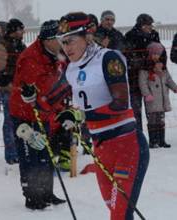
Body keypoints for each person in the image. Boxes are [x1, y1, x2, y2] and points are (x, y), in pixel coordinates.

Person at [56, 12, 149, 220]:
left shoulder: (108, 58)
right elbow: (54, 97)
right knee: (113, 207)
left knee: (119, 214)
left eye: (71, 40)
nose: (66, 47)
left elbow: (120, 103)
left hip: (127, 145)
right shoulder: (71, 68)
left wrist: (81, 115)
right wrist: (31, 96)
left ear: (87, 36)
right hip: (100, 149)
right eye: (63, 42)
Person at [10, 20, 66, 210]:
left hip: (44, 114)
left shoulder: (55, 55)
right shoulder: (30, 58)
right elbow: (41, 90)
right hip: (25, 115)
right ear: (48, 40)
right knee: (30, 157)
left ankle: (46, 192)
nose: (62, 42)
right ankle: (32, 196)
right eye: (59, 38)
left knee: (46, 155)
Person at [0, 18, 26, 164]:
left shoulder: (21, 45)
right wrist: (10, 84)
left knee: (21, 122)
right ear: (13, 31)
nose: (22, 32)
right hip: (9, 90)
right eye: (20, 29)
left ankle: (21, 150)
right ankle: (11, 154)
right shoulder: (1, 46)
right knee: (10, 122)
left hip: (20, 90)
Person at [125, 13, 160, 131]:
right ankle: (138, 135)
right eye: (149, 25)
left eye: (151, 25)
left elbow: (160, 53)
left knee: (153, 108)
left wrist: (158, 62)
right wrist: (143, 61)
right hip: (134, 78)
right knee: (136, 109)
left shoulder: (154, 35)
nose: (151, 27)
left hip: (151, 77)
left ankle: (155, 137)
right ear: (142, 25)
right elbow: (127, 57)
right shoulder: (130, 35)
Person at [139, 42, 177, 148]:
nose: (156, 56)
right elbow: (142, 83)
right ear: (150, 54)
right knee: (152, 120)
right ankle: (153, 141)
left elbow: (168, 79)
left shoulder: (162, 67)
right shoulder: (145, 68)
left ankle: (161, 140)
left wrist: (174, 87)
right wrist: (147, 94)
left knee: (161, 119)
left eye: (158, 54)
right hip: (152, 99)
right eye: (154, 54)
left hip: (162, 99)